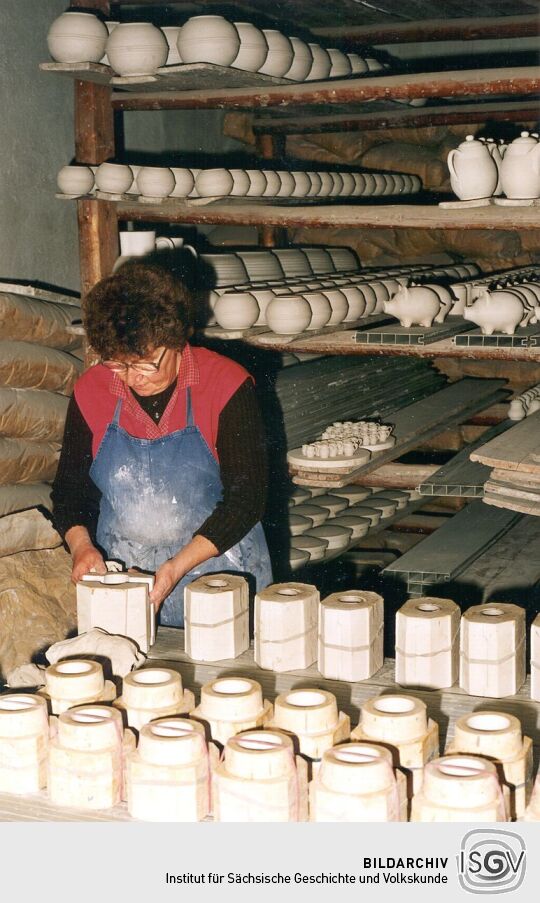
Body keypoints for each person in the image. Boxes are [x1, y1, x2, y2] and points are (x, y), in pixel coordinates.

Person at [51, 259, 272, 626]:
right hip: (125, 578)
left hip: (220, 572)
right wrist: (81, 546)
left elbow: (246, 498)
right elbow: (70, 491)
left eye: (145, 364)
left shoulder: (224, 384)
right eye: (118, 365)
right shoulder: (92, 390)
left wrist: (175, 568)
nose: (132, 378)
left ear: (177, 339)